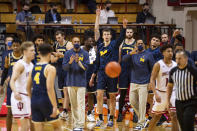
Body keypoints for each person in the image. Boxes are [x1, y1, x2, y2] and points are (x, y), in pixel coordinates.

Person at [89, 7, 127, 127]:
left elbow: (122, 37)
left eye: (107, 34)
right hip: (101, 73)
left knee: (111, 96)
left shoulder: (115, 45)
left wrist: (124, 27)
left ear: (110, 36)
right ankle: (99, 118)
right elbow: (96, 30)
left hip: (112, 74)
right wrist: (97, 16)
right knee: (99, 94)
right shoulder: (99, 46)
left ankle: (111, 117)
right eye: (104, 34)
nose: (105, 36)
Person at [27, 43, 62, 131]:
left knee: (39, 127)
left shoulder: (33, 67)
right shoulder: (50, 68)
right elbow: (49, 88)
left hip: (34, 100)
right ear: (50, 53)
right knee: (58, 126)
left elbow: (27, 87)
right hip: (46, 100)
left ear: (39, 54)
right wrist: (54, 106)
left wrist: (32, 100)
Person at [123, 39, 155, 130]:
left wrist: (151, 82)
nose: (140, 45)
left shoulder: (148, 54)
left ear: (144, 45)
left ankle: (140, 124)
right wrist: (131, 53)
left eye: (142, 43)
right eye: (138, 44)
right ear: (136, 45)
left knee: (142, 104)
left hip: (144, 83)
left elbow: (153, 69)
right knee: (132, 102)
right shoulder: (133, 54)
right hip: (133, 82)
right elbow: (124, 60)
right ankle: (143, 119)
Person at [148, 44, 179, 131]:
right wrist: (155, 93)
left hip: (172, 93)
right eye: (168, 51)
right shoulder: (158, 64)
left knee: (174, 115)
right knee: (156, 117)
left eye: (171, 51)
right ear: (163, 53)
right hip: (160, 93)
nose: (170, 53)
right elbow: (152, 79)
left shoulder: (176, 65)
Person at [63, 37, 89, 131]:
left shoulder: (85, 53)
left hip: (81, 83)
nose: (77, 43)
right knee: (73, 105)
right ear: (72, 43)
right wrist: (70, 63)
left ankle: (81, 125)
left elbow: (86, 68)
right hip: (70, 82)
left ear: (80, 42)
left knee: (81, 105)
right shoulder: (67, 53)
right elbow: (64, 68)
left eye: (78, 41)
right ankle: (76, 124)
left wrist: (79, 62)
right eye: (75, 42)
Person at [167, 51, 197, 131]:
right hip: (179, 102)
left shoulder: (193, 70)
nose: (177, 60)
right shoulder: (173, 71)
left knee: (188, 124)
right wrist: (167, 101)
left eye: (180, 58)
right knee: (183, 126)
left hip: (191, 102)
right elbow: (169, 86)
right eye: (176, 58)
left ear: (186, 59)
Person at [9, 41, 34, 131]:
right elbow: (12, 81)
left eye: (34, 50)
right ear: (24, 51)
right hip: (19, 96)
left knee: (29, 125)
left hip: (28, 96)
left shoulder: (31, 65)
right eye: (31, 50)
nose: (34, 53)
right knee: (25, 125)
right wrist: (15, 92)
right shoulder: (20, 65)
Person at [0, 38, 23, 131]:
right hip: (11, 87)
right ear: (11, 46)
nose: (16, 47)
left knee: (26, 113)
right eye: (14, 45)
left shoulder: (24, 57)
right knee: (9, 111)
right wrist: (1, 85)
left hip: (22, 87)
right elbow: (5, 71)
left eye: (17, 45)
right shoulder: (8, 57)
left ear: (21, 46)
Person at [52, 31, 73, 121]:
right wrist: (57, 56)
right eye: (57, 38)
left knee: (66, 91)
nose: (58, 39)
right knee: (61, 91)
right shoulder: (56, 45)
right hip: (59, 68)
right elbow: (53, 60)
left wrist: (62, 55)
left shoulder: (69, 45)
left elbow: (72, 57)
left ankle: (65, 111)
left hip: (68, 69)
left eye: (59, 37)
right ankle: (65, 112)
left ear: (63, 36)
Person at [117, 27, 136, 122]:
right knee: (123, 93)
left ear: (133, 33)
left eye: (130, 32)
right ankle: (120, 113)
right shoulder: (122, 43)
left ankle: (136, 114)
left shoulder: (136, 43)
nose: (129, 33)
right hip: (123, 70)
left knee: (134, 94)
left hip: (133, 70)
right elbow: (119, 59)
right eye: (127, 32)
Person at [82, 36, 97, 122]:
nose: (91, 42)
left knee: (91, 94)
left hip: (91, 74)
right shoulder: (80, 50)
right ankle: (79, 113)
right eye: (89, 41)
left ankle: (89, 113)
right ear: (85, 41)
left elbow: (95, 63)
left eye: (92, 41)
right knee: (80, 95)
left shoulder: (94, 50)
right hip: (81, 75)